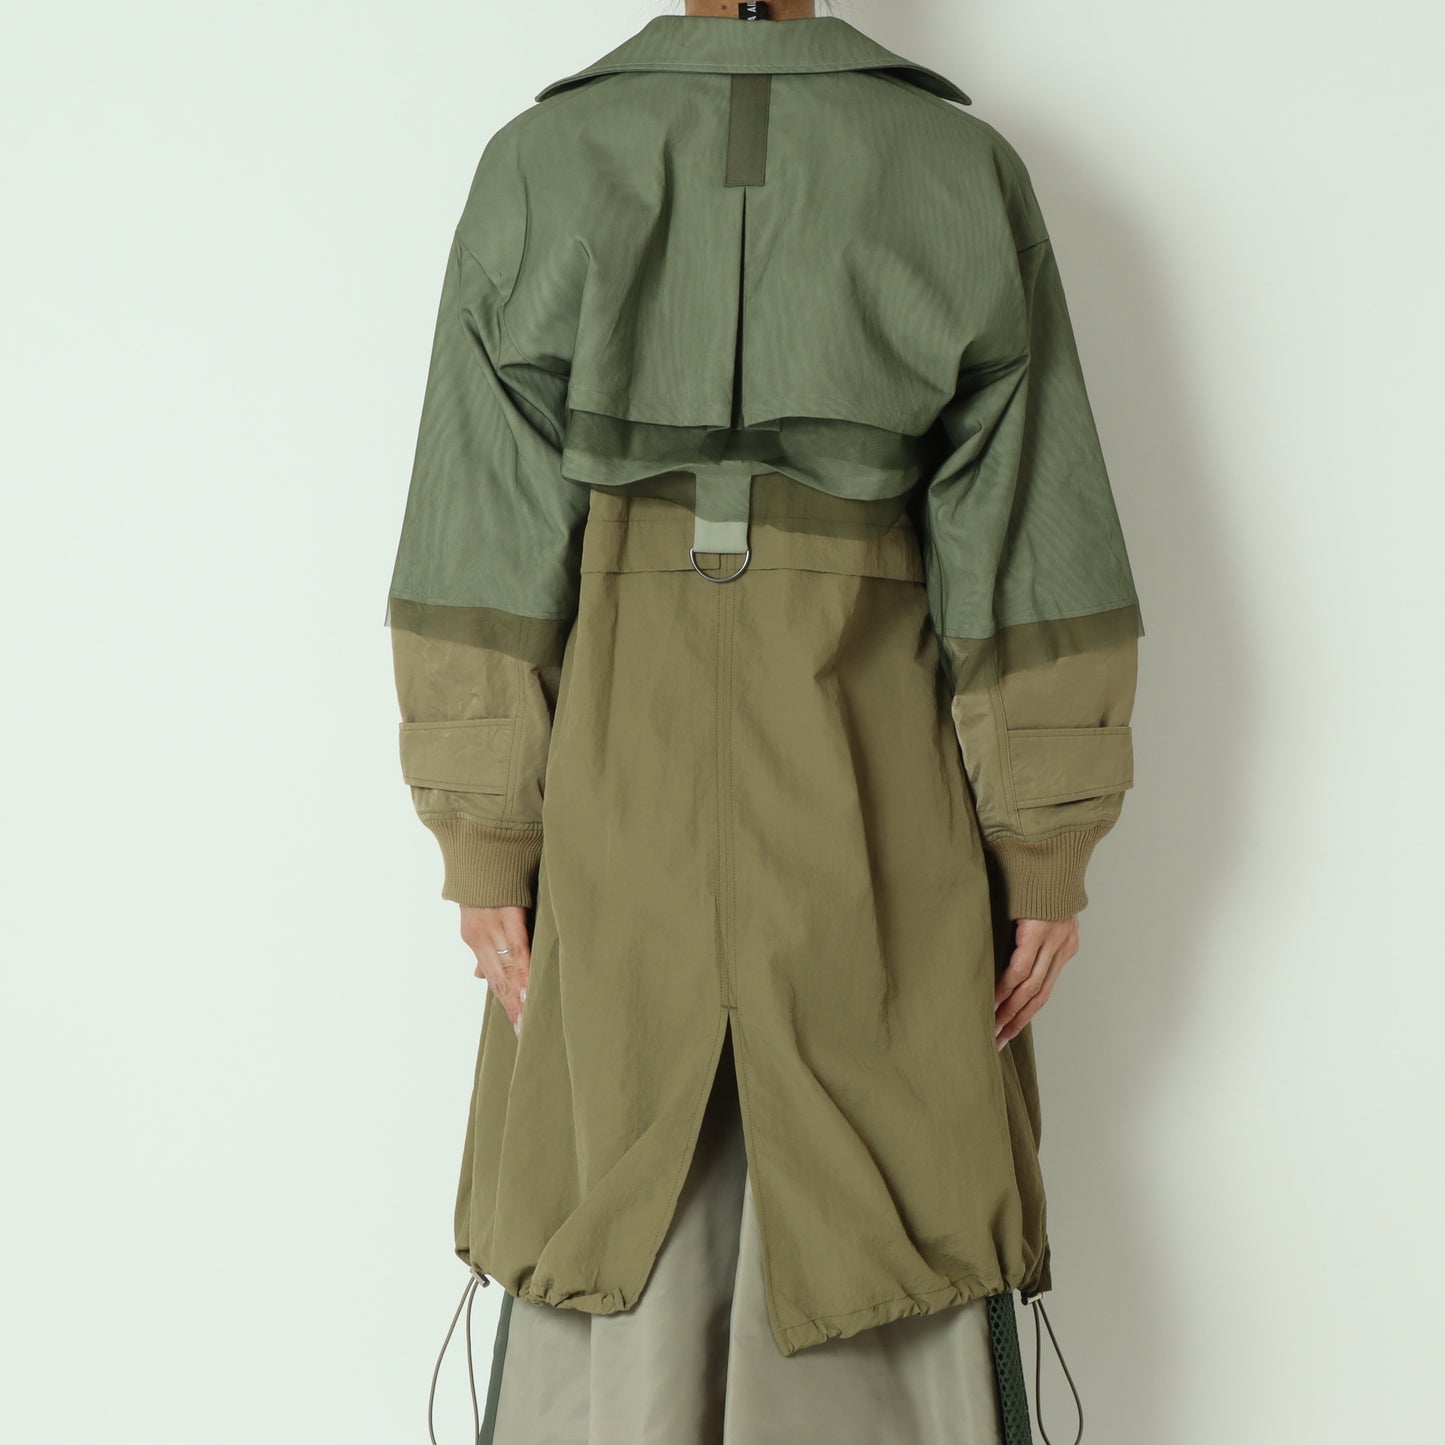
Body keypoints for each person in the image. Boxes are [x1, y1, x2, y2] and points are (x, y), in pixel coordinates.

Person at [386, 4, 1143, 1442]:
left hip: (617, 808)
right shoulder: (951, 168)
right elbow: (1032, 547)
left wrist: (483, 836)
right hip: (868, 811)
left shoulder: (540, 165)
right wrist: (1044, 847)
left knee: (619, 1187)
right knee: (885, 1207)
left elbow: (476, 545)